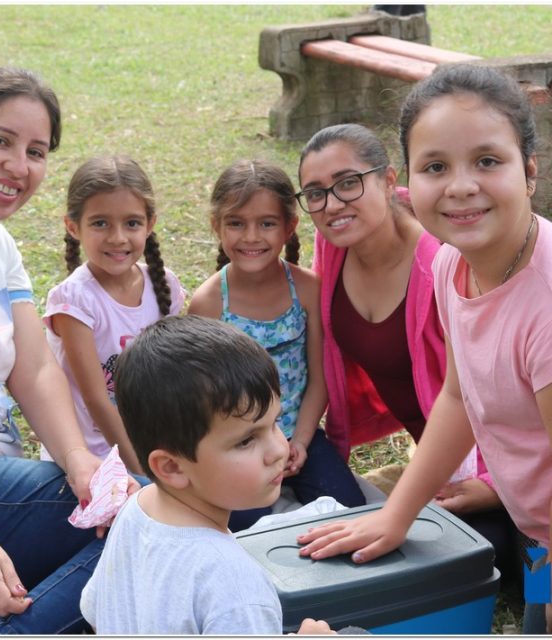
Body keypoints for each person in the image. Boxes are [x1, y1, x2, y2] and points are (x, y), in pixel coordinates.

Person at [296, 64, 552, 633]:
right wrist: (396, 515)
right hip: (541, 535)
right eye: (437, 166)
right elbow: (458, 398)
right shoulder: (453, 265)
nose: (460, 185)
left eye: (487, 161)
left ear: (529, 170)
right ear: (409, 180)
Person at [0, 66, 137, 635]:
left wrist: (79, 461)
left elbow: (34, 369)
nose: (19, 166)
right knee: (155, 519)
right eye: (1, 140)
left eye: (36, 151)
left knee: (134, 524)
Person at [80, 314, 335, 634]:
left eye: (274, 423)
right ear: (172, 467)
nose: (278, 449)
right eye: (246, 440)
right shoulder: (236, 587)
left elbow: (97, 613)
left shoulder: (136, 509)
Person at [188, 159, 365, 531]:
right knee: (243, 528)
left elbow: (319, 378)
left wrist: (299, 441)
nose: (251, 237)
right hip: (239, 443)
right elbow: (207, 401)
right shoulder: (209, 303)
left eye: (267, 223)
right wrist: (253, 449)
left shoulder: (308, 289)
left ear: (289, 227)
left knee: (350, 510)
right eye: (236, 223)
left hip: (300, 433)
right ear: (216, 226)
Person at [41, 155, 185, 474]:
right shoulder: (74, 300)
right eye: (100, 223)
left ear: (150, 224)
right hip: (89, 456)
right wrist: (142, 474)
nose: (118, 237)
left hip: (150, 445)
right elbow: (96, 399)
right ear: (73, 227)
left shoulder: (165, 285)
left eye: (131, 223)